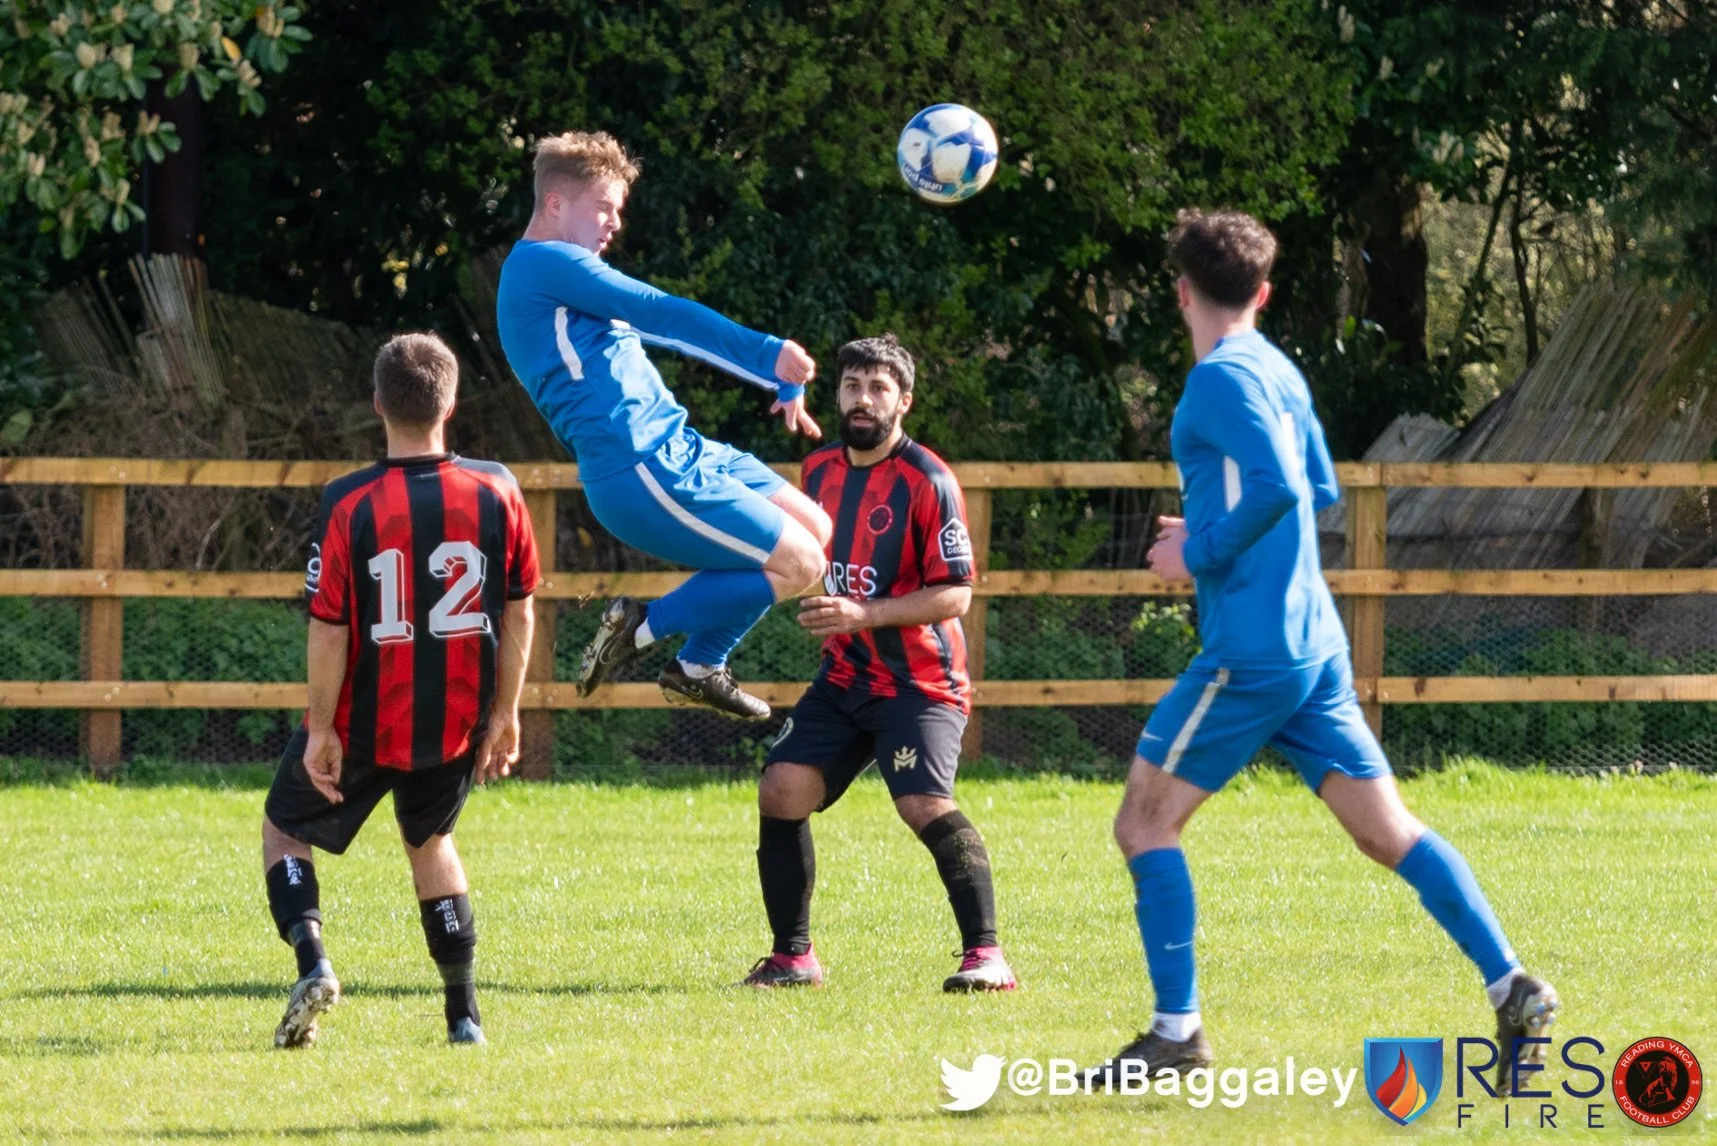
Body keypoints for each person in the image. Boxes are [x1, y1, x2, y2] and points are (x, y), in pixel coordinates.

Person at [1085, 211, 1557, 1094]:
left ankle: (1176, 1034)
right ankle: (1512, 985)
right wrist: (1213, 521)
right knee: (1387, 833)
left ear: (1181, 292)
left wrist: (1198, 550)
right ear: (1262, 294)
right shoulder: (1275, 367)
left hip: (1252, 649)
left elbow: (1273, 487)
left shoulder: (1216, 379)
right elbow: (1317, 486)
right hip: (1311, 642)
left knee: (1143, 823)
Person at [262, 332, 540, 1049]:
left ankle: (313, 963)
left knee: (285, 827)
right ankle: (463, 1016)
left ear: (377, 403)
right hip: (454, 718)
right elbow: (519, 611)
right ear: (451, 404)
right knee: (431, 841)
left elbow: (329, 627)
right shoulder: (499, 490)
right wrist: (506, 713)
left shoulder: (348, 500)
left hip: (364, 718)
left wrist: (322, 728)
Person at [495, 130, 831, 720]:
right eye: (604, 207)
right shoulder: (544, 265)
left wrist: (778, 377)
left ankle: (698, 667)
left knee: (816, 528)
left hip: (681, 448)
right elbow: (660, 313)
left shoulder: (564, 277)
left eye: (617, 210)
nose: (615, 223)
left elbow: (666, 330)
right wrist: (767, 353)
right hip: (639, 467)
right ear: (555, 203)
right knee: (801, 563)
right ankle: (642, 626)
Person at [742, 334, 1016, 993]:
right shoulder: (817, 470)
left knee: (922, 804)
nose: (862, 399)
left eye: (877, 388)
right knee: (782, 789)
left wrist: (863, 613)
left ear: (904, 402)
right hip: (845, 675)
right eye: (851, 386)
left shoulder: (929, 480)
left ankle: (986, 957)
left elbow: (956, 593)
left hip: (920, 682)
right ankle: (793, 958)